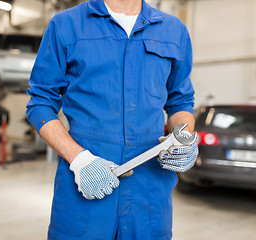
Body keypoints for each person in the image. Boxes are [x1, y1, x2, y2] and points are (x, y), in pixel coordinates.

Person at [26, 0, 198, 238]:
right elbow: (41, 103)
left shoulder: (173, 30)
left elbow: (180, 102)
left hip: (150, 195)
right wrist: (79, 160)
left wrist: (184, 138)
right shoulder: (66, 25)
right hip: (84, 189)